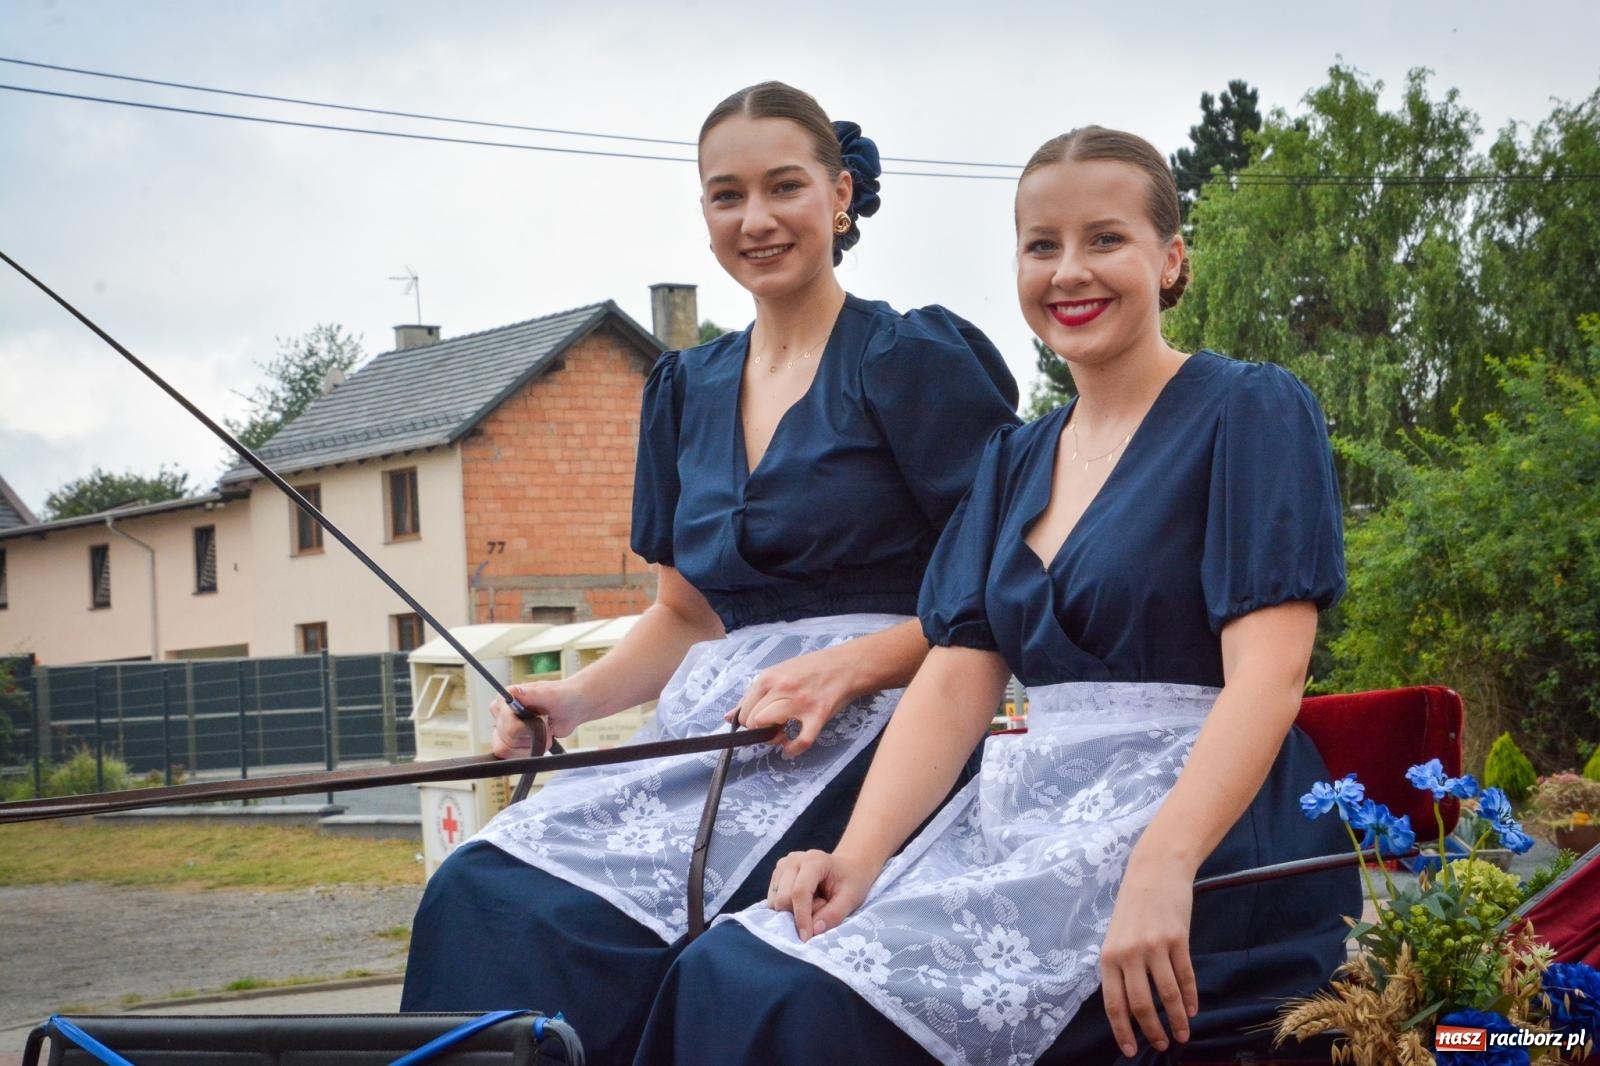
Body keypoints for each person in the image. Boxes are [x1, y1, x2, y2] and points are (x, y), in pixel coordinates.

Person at [634, 127, 1361, 1065]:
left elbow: (1270, 676)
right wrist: (855, 858)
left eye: (1106, 239)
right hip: (1031, 832)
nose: (1069, 271)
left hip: (1205, 843)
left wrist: (1164, 862)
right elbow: (954, 680)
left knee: (804, 1008)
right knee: (728, 970)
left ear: (1171, 259)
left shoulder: (1249, 410)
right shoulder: (1014, 459)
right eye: (1041, 245)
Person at [400, 82, 1021, 1061]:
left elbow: (1002, 585)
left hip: (889, 721)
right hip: (721, 723)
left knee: (582, 930)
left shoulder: (913, 358)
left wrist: (850, 665)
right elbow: (687, 615)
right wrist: (573, 700)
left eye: (784, 187)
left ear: (841, 195)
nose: (756, 218)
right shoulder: (683, 389)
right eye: (728, 195)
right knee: (477, 888)